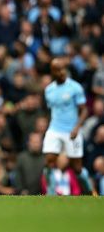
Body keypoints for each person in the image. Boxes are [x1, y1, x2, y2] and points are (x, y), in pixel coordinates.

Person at [42, 58, 96, 195]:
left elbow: (84, 110)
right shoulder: (49, 90)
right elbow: (52, 109)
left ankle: (89, 191)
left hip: (72, 131)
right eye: (58, 69)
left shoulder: (75, 87)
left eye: (63, 69)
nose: (62, 72)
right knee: (49, 160)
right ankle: (51, 192)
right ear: (52, 72)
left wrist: (77, 127)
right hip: (54, 129)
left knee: (76, 167)